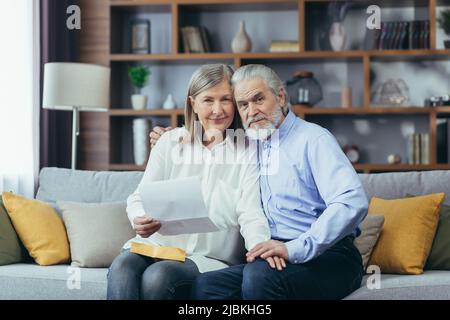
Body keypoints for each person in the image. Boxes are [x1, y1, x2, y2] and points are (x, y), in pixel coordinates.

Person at [150, 64, 368, 300]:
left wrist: (294, 248)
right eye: (243, 105)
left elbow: (352, 201)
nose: (251, 111)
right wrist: (170, 138)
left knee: (259, 277)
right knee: (205, 286)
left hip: (329, 255)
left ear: (281, 96)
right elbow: (208, 142)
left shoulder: (314, 140)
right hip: (271, 252)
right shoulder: (250, 144)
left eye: (258, 99)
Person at [107, 64, 271, 300]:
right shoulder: (169, 142)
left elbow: (250, 211)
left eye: (226, 99)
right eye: (208, 100)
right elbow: (139, 197)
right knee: (122, 267)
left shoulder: (247, 151)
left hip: (206, 257)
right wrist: (138, 217)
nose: (218, 110)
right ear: (193, 103)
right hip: (155, 246)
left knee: (159, 276)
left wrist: (259, 248)